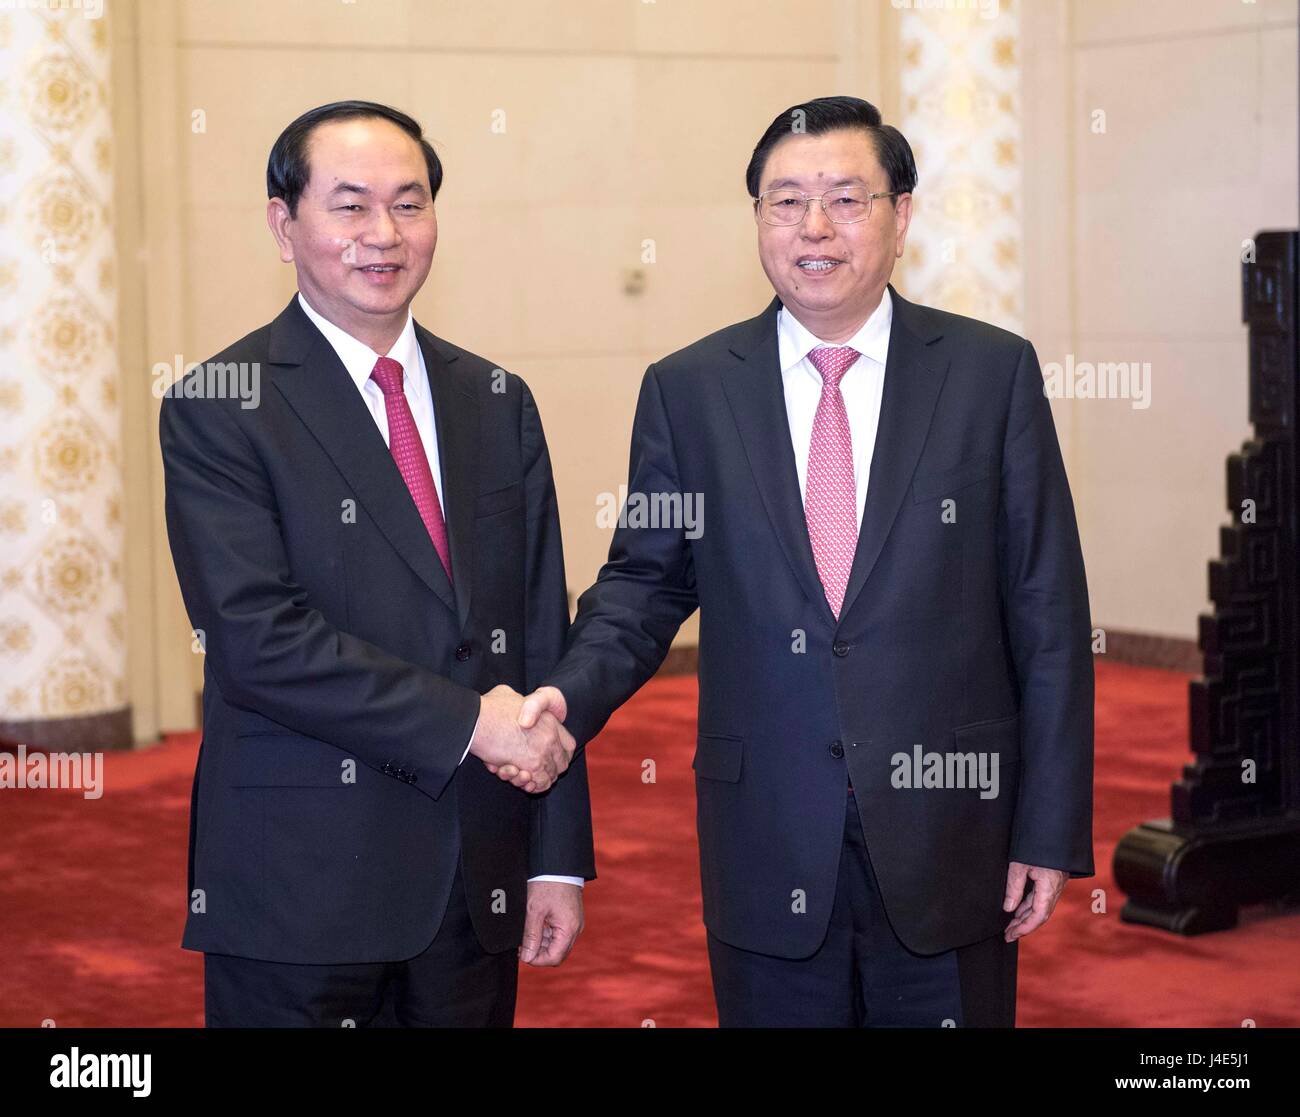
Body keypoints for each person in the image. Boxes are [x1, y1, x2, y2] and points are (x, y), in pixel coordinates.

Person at [515, 95, 1095, 1027]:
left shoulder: (992, 374)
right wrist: (566, 699)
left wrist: (1050, 825)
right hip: (767, 836)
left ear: (901, 216)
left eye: (846, 198)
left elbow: (1049, 613)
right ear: (756, 221)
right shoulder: (690, 390)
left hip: (952, 835)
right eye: (785, 201)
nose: (813, 227)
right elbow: (644, 583)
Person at [159, 100, 592, 1027]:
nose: (384, 235)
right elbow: (259, 642)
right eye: (349, 206)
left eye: (410, 202)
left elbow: (540, 634)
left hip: (476, 883)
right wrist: (472, 723)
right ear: (285, 226)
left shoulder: (496, 399)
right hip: (301, 886)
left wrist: (554, 856)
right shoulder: (218, 405)